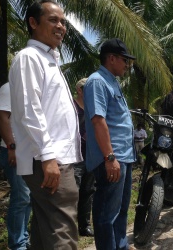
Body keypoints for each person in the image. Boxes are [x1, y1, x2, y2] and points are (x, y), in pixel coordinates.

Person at [8, 1, 82, 249]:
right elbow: (30, 111)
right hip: (50, 160)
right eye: (53, 20)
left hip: (53, 158)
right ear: (33, 23)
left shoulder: (48, 58)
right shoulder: (30, 57)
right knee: (63, 232)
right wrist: (49, 157)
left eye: (63, 21)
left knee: (44, 230)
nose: (61, 26)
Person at [83, 38, 136, 250]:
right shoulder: (97, 81)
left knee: (121, 210)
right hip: (113, 158)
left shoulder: (112, 81)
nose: (127, 65)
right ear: (111, 58)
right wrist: (110, 157)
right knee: (107, 214)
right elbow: (98, 120)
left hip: (124, 156)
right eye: (124, 60)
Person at [0, 83, 31, 250]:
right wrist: (11, 147)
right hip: (13, 151)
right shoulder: (9, 87)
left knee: (28, 197)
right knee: (21, 196)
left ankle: (23, 237)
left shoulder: (29, 88)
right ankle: (17, 244)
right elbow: (2, 117)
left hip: (28, 152)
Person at [73, 78, 95, 237]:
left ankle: (84, 225)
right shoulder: (71, 106)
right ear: (80, 90)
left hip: (90, 154)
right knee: (73, 191)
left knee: (88, 190)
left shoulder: (93, 107)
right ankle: (68, 226)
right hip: (74, 155)